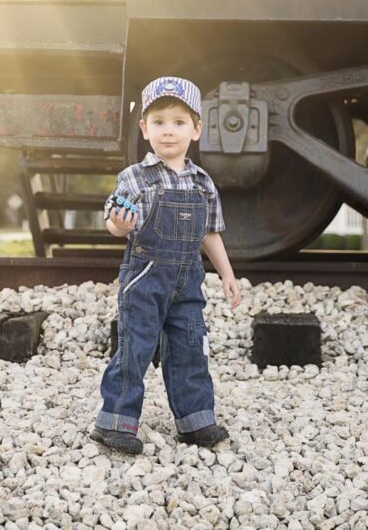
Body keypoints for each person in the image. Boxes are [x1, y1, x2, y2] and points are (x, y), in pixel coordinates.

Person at [91, 75, 241, 455]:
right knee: (135, 345)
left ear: (196, 129)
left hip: (188, 279)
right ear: (144, 129)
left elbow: (210, 232)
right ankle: (116, 421)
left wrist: (227, 274)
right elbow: (113, 222)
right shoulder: (135, 178)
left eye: (178, 122)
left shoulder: (203, 183)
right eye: (158, 122)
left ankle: (195, 420)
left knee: (190, 345)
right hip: (144, 276)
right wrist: (119, 226)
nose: (168, 132)